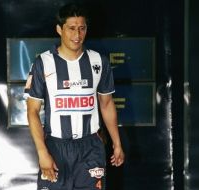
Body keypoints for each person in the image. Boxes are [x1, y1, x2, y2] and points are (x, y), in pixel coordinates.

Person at [26, 3, 125, 190]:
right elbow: (32, 111)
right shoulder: (43, 63)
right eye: (71, 28)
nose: (77, 35)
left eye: (82, 28)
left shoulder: (99, 61)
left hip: (91, 147)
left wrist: (117, 143)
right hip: (56, 146)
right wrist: (42, 152)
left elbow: (106, 104)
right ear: (59, 29)